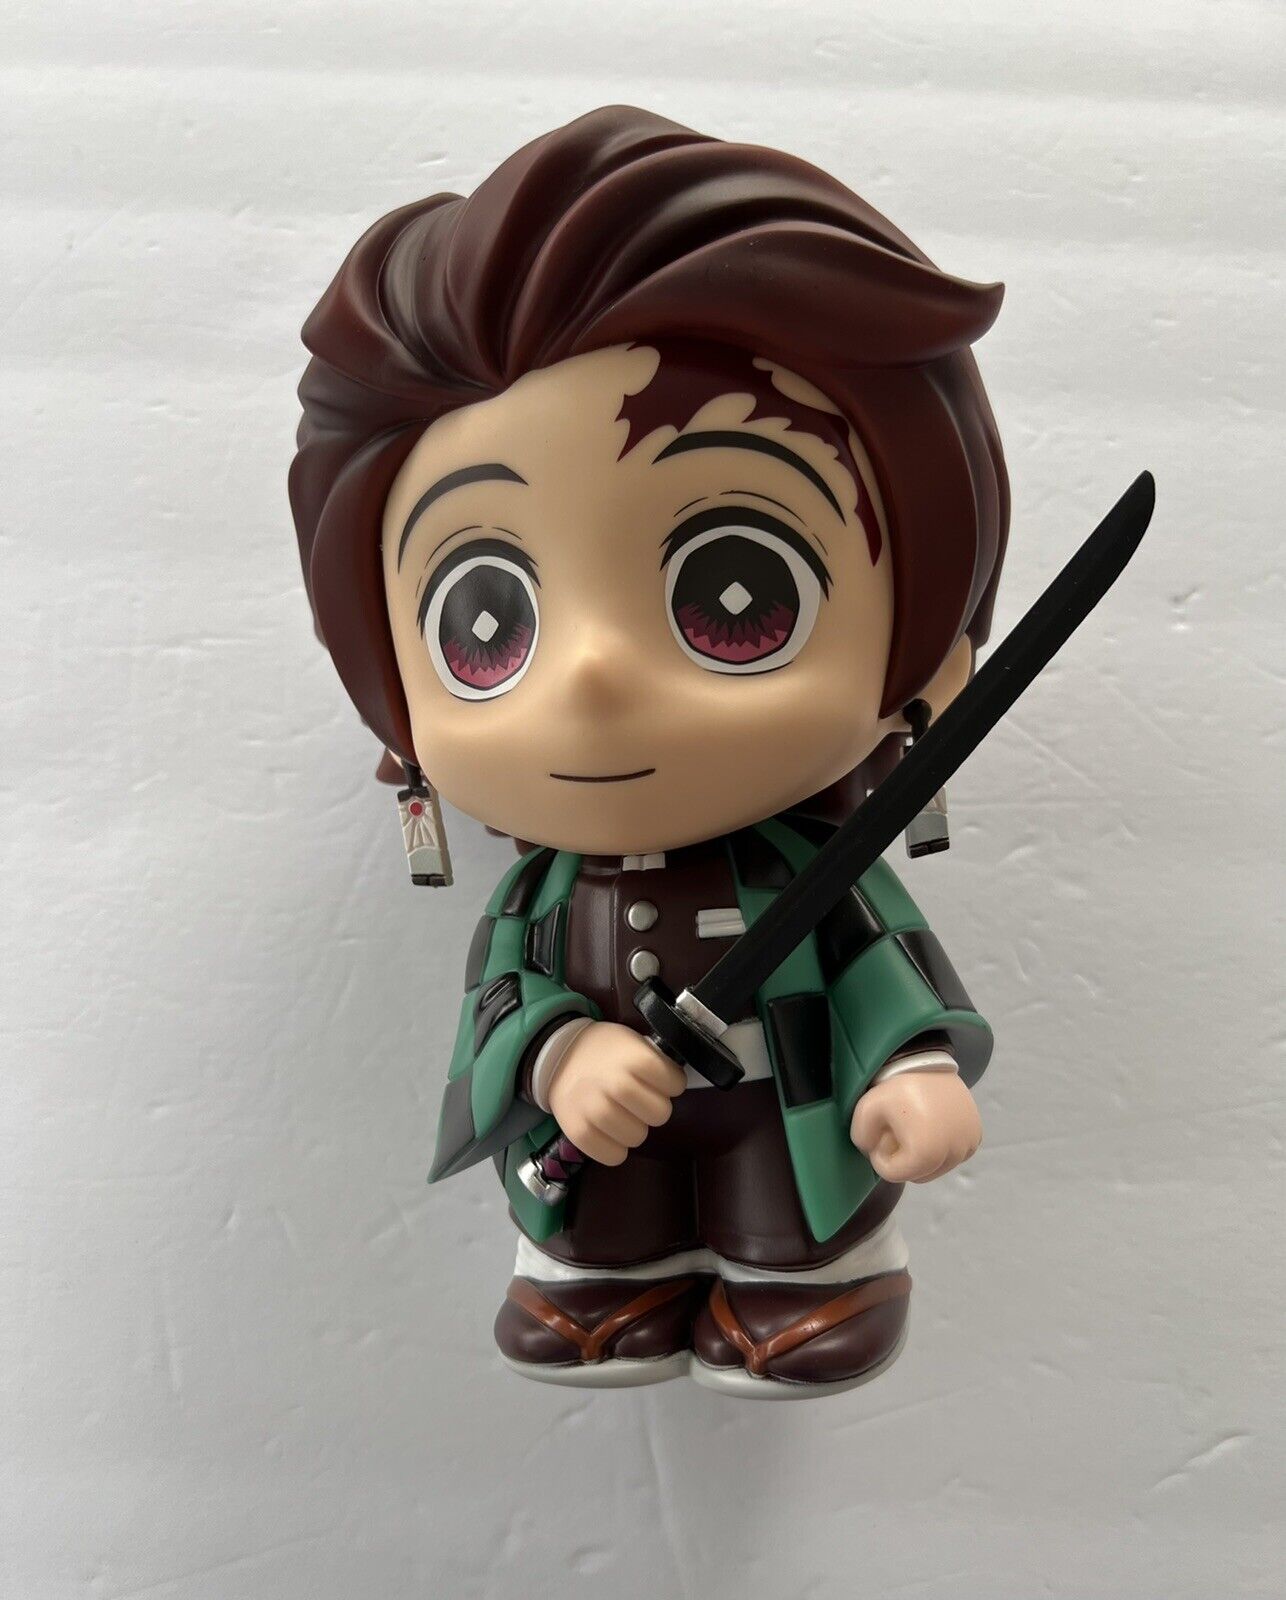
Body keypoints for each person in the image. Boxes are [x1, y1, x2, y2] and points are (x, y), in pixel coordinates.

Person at [289, 106, 1009, 1396]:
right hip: (601, 1134)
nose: (595, 674)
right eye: (487, 624)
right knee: (597, 1192)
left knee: (790, 1204)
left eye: (738, 596)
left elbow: (878, 964)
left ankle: (808, 1280)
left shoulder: (817, 874)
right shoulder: (545, 893)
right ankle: (600, 1280)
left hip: (784, 1103)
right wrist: (561, 1054)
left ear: (931, 666)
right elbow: (504, 993)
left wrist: (914, 1069)